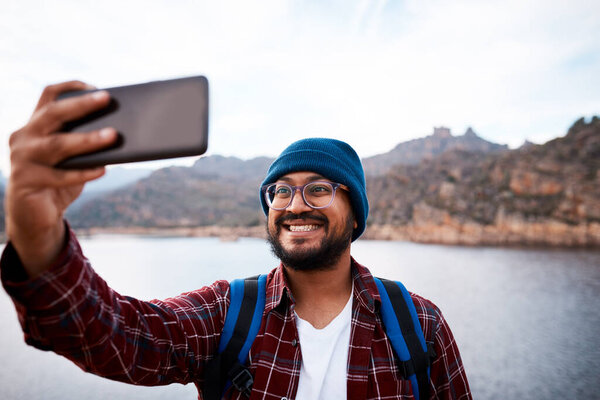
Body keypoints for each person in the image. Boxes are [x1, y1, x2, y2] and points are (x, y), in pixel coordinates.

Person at [1, 81, 472, 399]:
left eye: (319, 188)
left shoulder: (418, 325)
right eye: (280, 191)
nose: (294, 205)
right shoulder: (229, 313)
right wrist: (39, 235)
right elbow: (119, 336)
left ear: (355, 217)